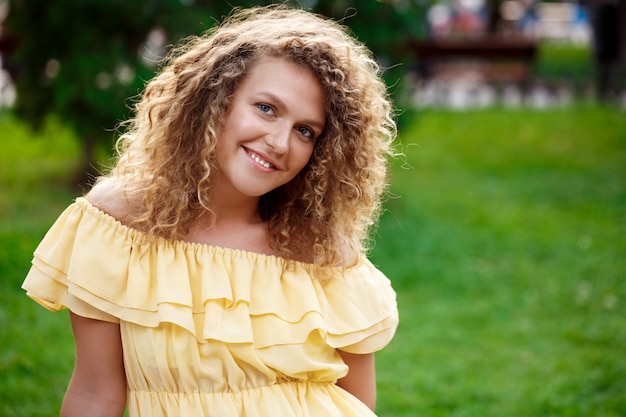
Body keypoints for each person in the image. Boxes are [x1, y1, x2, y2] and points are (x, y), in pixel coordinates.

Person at [22, 5, 399, 417]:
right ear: (215, 99)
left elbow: (357, 400)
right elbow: (96, 393)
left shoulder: (323, 252)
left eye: (305, 130)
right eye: (266, 108)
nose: (279, 142)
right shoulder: (118, 227)